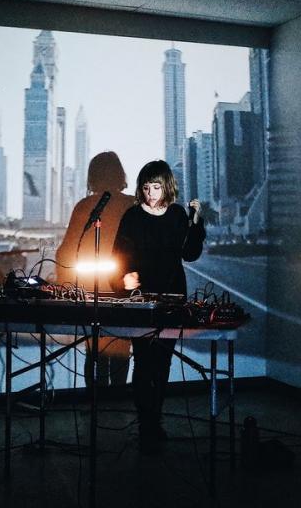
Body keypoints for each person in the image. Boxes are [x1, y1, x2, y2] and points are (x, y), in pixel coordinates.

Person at [111, 160, 205, 453]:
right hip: (140, 298)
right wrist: (122, 279)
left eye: (156, 186)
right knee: (142, 359)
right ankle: (146, 422)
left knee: (163, 361)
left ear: (167, 187)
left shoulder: (177, 215)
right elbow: (118, 256)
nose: (151, 193)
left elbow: (190, 255)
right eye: (147, 187)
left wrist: (197, 222)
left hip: (173, 296)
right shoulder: (132, 217)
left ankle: (156, 419)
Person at [56, 151, 136, 387]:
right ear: (120, 175)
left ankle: (94, 408)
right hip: (125, 295)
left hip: (90, 294)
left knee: (95, 354)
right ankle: (117, 404)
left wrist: (63, 287)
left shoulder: (84, 206)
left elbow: (66, 251)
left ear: (92, 177)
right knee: (121, 351)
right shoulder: (132, 204)